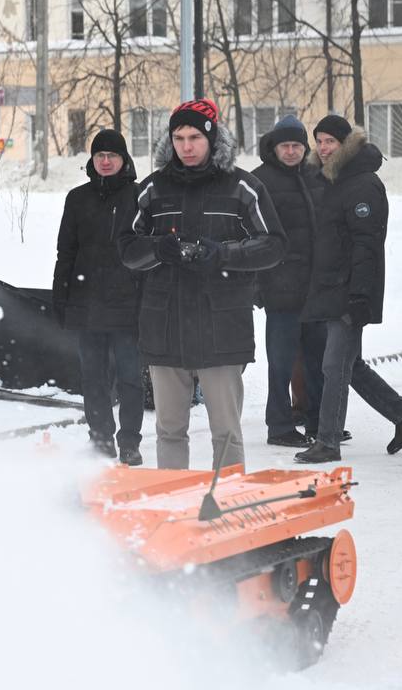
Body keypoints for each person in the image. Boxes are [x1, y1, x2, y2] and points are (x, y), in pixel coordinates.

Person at [118, 98, 286, 470]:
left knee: (226, 432)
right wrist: (159, 248)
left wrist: (222, 255)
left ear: (212, 138)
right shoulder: (152, 189)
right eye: (178, 138)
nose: (186, 146)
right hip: (164, 328)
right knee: (168, 431)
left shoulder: (244, 186)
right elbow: (127, 249)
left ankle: (226, 510)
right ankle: (175, 510)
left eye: (194, 136)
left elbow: (273, 245)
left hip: (221, 329)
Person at [296, 115, 402, 463]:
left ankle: (327, 441)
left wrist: (359, 295)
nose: (323, 148)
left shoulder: (362, 184)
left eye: (331, 142)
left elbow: (366, 245)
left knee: (334, 365)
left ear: (345, 145)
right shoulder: (333, 180)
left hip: (350, 290)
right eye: (319, 141)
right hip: (331, 286)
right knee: (349, 365)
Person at [52, 129, 144, 465]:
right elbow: (66, 252)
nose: (106, 162)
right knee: (93, 378)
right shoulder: (77, 198)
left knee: (131, 378)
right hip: (87, 303)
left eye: (113, 156)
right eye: (100, 156)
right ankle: (101, 437)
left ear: (124, 160)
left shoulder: (139, 196)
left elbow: (147, 254)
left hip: (127, 305)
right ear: (92, 160)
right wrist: (60, 297)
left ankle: (130, 441)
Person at [251, 115, 326, 447]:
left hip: (315, 288)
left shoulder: (316, 176)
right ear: (275, 147)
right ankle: (279, 425)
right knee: (280, 363)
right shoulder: (259, 181)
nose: (292, 151)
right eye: (286, 145)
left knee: (317, 360)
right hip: (279, 288)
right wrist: (258, 284)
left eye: (298, 145)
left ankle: (319, 422)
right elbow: (251, 236)